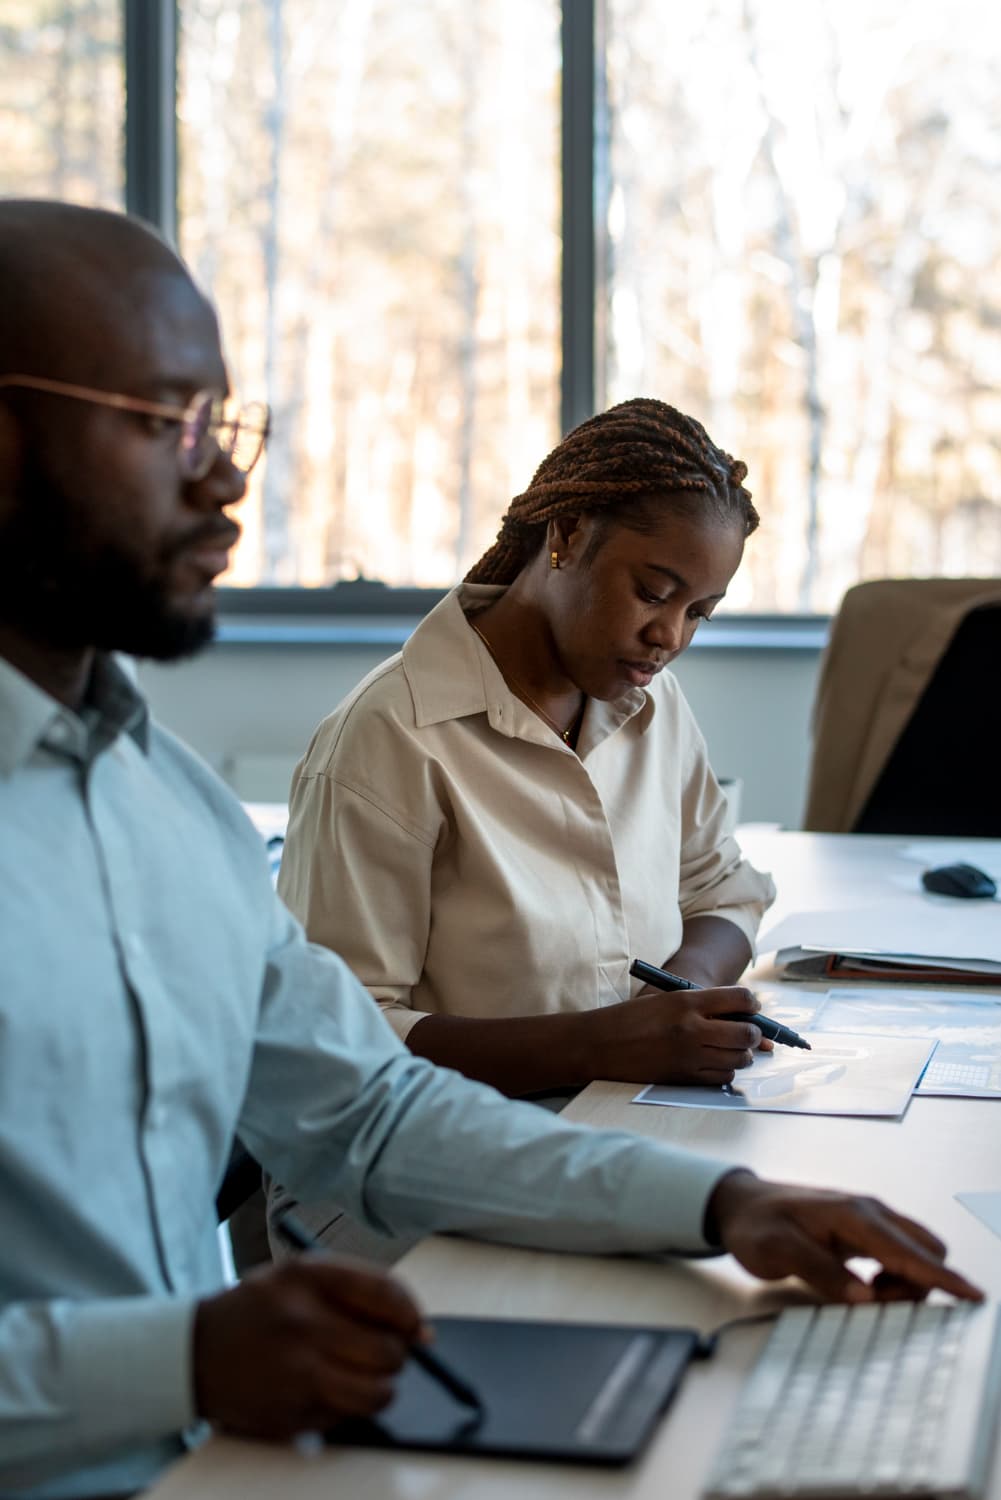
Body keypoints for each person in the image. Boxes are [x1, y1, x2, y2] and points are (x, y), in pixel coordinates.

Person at [0, 200, 980, 1500]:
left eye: (227, 428)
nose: (227, 479)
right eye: (166, 421)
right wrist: (175, 1362)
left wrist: (721, 1208)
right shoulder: (377, 741)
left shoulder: (163, 803)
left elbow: (367, 1109)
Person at [272, 398, 775, 1250]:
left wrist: (684, 1002)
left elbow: (721, 888)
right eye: (653, 593)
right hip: (401, 1178)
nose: (668, 636)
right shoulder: (390, 737)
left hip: (615, 1121)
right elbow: (339, 1035)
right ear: (566, 536)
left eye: (699, 612)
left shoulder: (650, 704)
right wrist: (599, 1044)